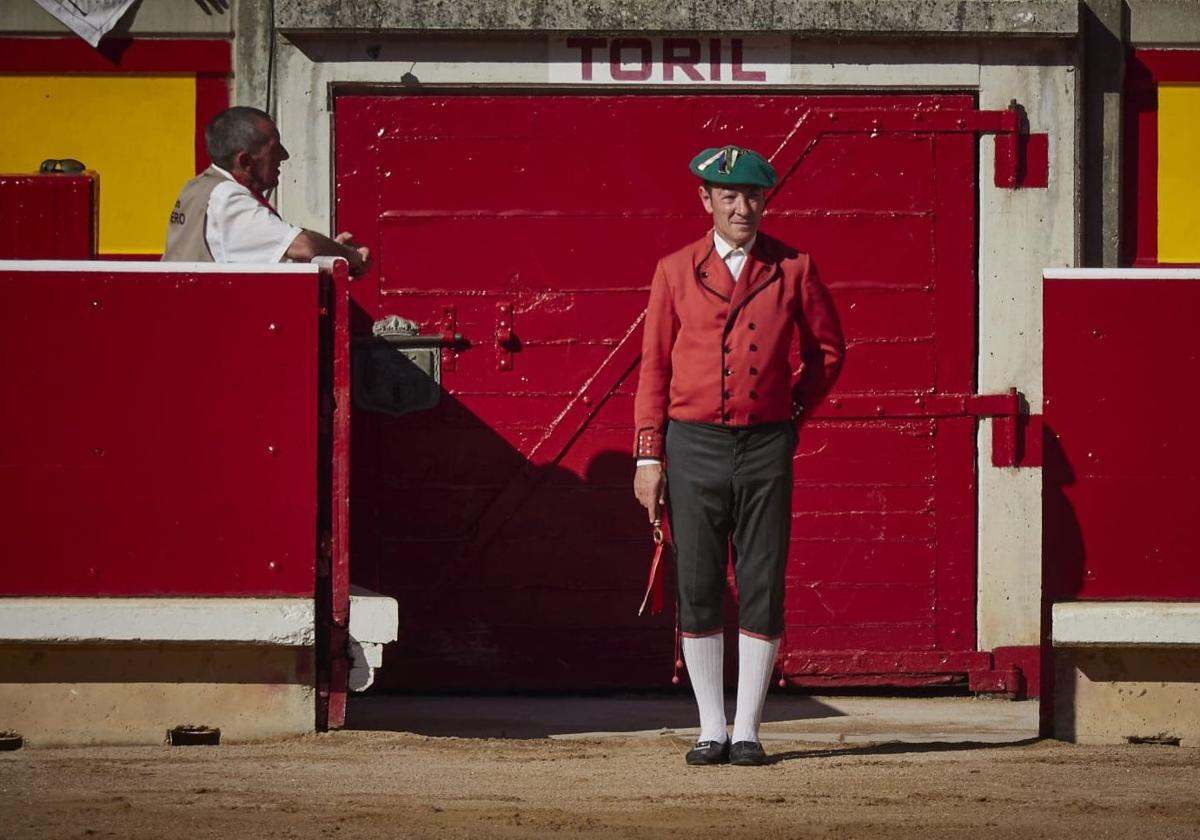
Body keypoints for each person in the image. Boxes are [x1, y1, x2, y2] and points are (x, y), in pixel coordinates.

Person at [632, 145, 845, 766]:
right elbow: (654, 368)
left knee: (761, 582)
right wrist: (649, 457)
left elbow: (828, 354)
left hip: (765, 445)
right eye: (729, 196)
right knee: (697, 584)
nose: (742, 207)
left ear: (766, 199)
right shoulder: (674, 270)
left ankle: (748, 727)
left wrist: (792, 411)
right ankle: (710, 727)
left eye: (752, 196)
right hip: (691, 444)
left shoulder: (794, 268)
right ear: (706, 200)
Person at [163, 106, 370, 275]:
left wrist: (331, 252)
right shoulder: (227, 198)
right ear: (245, 161)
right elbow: (303, 246)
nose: (284, 155)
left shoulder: (198, 186)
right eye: (274, 148)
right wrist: (349, 256)